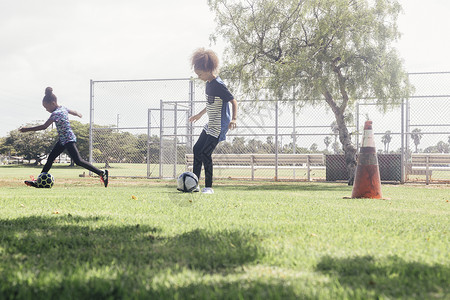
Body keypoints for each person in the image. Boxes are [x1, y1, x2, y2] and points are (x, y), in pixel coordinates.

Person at [20, 87, 109, 188]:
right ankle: (39, 181)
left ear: (53, 103)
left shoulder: (55, 114)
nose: (46, 110)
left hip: (68, 140)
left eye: (47, 107)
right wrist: (78, 114)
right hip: (63, 140)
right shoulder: (63, 108)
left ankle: (101, 173)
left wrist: (26, 129)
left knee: (78, 161)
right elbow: (73, 111)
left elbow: (44, 127)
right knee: (50, 159)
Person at [189, 48, 238, 194]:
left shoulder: (219, 84)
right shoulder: (208, 84)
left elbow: (234, 101)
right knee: (197, 149)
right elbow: (211, 103)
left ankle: (208, 187)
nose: (199, 77)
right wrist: (199, 114)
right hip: (210, 123)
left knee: (205, 153)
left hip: (219, 125)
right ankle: (194, 183)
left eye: (200, 74)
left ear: (209, 69)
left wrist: (234, 119)